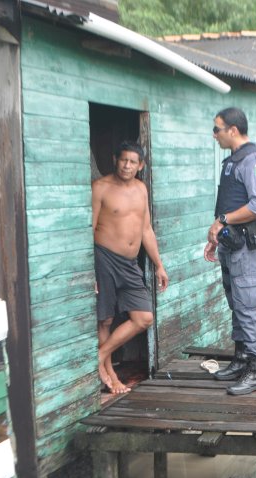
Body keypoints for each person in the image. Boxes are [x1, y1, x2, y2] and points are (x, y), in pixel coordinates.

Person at [204, 107, 256, 396]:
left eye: (217, 129)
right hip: (231, 244)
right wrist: (218, 234)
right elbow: (229, 204)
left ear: (233, 130)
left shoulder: (253, 160)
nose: (214, 134)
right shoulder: (232, 161)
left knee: (249, 307)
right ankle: (242, 358)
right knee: (237, 305)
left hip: (246, 246)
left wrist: (222, 222)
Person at [92, 141, 169, 394]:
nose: (127, 165)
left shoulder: (140, 189)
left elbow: (146, 229)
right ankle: (111, 376)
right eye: (123, 160)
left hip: (130, 263)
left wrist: (158, 264)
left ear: (141, 165)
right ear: (115, 159)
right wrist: (89, 271)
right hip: (104, 258)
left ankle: (101, 355)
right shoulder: (101, 187)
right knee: (106, 319)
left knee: (143, 317)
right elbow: (89, 229)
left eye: (133, 162)